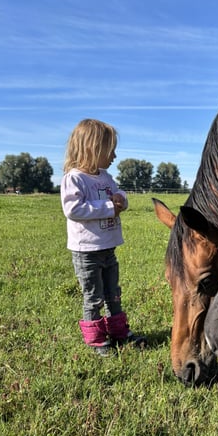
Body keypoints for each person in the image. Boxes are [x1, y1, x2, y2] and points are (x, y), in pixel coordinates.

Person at [61, 118, 146, 356]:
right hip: (87, 251)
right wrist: (109, 207)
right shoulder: (74, 178)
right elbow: (73, 209)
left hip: (108, 248)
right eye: (110, 150)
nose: (114, 156)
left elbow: (119, 194)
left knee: (113, 293)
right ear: (93, 148)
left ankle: (119, 331)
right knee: (94, 296)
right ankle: (96, 338)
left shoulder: (106, 177)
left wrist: (121, 199)